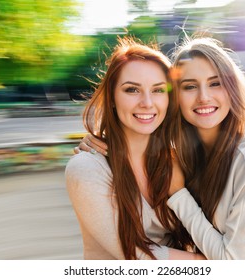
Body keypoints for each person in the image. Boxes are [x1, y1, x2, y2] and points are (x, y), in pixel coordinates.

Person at [77, 36, 245, 260]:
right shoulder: (182, 155)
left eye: (215, 83)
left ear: (232, 89)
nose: (204, 97)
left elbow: (234, 264)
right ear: (176, 98)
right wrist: (99, 147)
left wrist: (179, 195)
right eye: (190, 86)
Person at [65, 37, 204, 260]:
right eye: (132, 90)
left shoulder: (176, 161)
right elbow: (135, 255)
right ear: (111, 97)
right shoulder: (87, 168)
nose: (147, 102)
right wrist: (222, 261)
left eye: (158, 90)